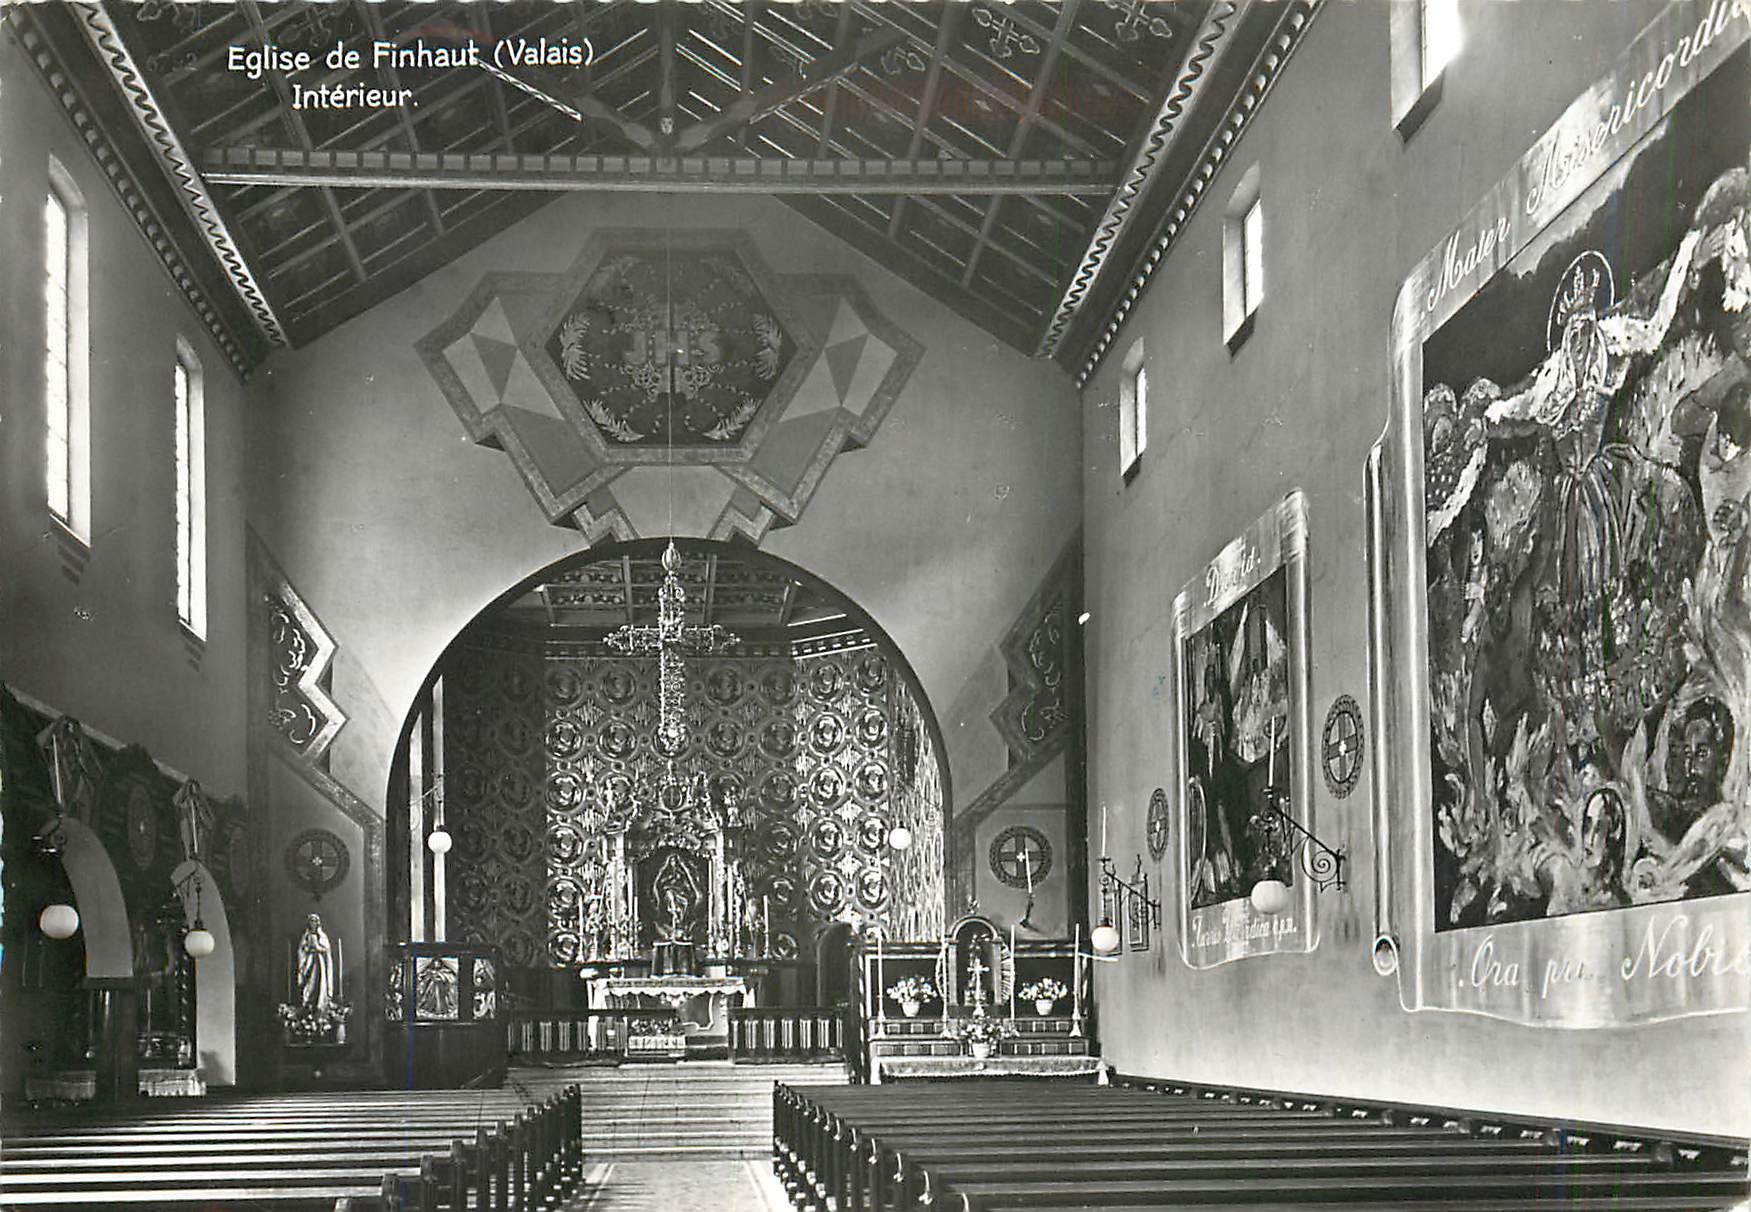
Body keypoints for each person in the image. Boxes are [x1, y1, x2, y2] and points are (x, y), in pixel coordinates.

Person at [295, 913, 337, 1011]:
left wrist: (318, 948)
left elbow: (326, 949)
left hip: (319, 961)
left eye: (314, 922)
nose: (312, 924)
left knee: (319, 980)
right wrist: (307, 950)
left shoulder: (322, 936)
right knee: (310, 982)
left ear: (317, 923)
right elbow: (301, 950)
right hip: (309, 961)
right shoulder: (306, 936)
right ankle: (308, 1001)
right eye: (311, 922)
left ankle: (320, 1002)